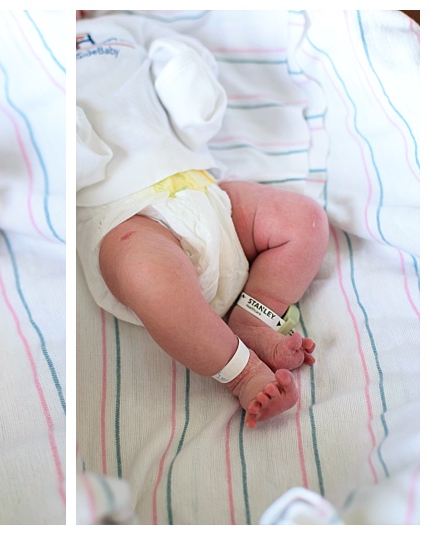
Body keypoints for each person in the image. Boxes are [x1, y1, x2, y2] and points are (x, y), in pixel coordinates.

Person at [75, 13, 327, 428]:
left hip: (203, 189)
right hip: (123, 215)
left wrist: (185, 75)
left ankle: (256, 315)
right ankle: (243, 373)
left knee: (304, 221)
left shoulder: (124, 26)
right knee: (149, 278)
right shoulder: (42, 55)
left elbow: (185, 66)